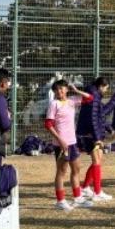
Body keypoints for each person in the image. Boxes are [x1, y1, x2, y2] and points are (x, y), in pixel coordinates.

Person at [46, 80, 94, 211]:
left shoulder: (72, 101)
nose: (59, 92)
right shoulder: (54, 104)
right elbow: (48, 124)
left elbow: (90, 98)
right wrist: (60, 140)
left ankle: (77, 198)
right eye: (56, 90)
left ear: (67, 89)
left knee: (76, 169)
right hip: (61, 144)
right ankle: (60, 201)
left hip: (72, 142)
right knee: (62, 172)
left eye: (62, 89)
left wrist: (76, 90)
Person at [76, 77, 113, 201]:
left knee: (98, 160)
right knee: (96, 161)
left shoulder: (95, 97)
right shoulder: (94, 97)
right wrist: (97, 137)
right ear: (102, 86)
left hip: (93, 133)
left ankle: (86, 187)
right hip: (90, 134)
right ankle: (97, 192)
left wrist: (108, 128)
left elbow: (99, 116)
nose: (106, 91)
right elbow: (92, 118)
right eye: (106, 88)